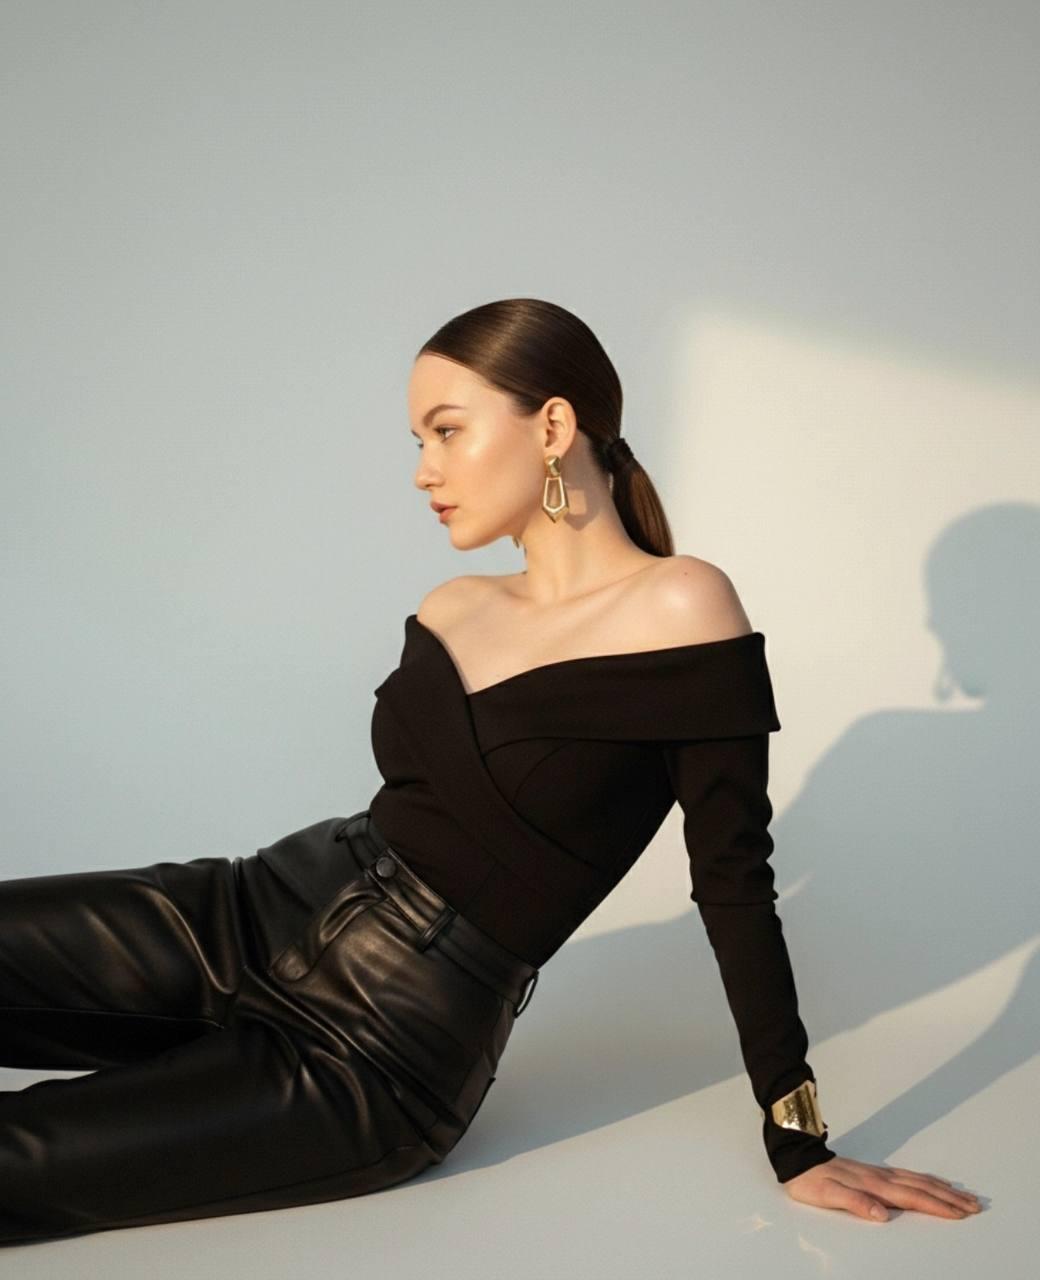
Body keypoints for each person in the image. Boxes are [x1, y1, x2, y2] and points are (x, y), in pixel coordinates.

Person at [0, 299, 981, 1244]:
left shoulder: (682, 606)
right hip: (243, 909)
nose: (422, 470)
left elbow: (734, 883)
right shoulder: (453, 605)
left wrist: (797, 1136)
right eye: (417, 440)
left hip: (373, 1051)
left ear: (551, 425)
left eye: (446, 430)